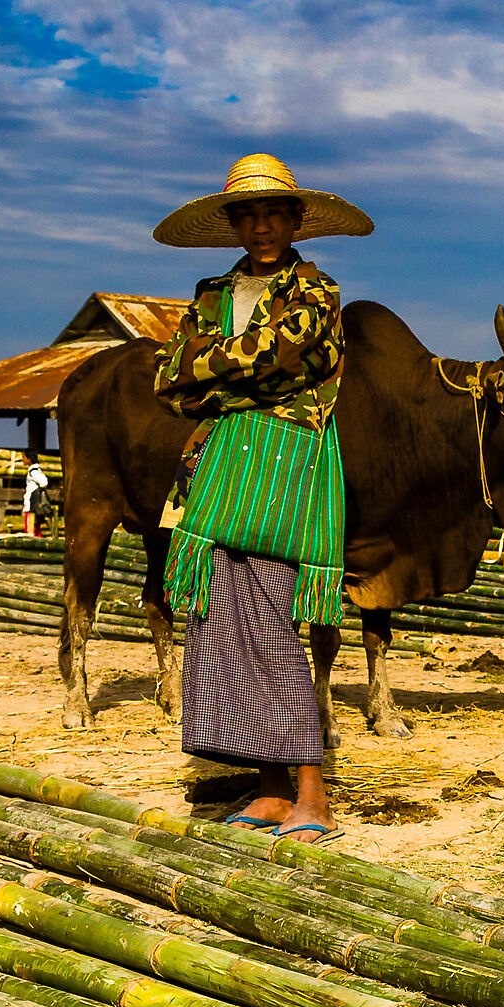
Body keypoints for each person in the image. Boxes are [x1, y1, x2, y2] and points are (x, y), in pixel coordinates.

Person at [152, 152, 373, 845]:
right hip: (224, 464)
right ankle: (270, 789)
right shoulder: (211, 292)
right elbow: (169, 378)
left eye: (273, 212)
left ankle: (314, 794)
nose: (262, 226)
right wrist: (235, 374)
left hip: (285, 467)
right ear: (233, 224)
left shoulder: (317, 292)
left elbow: (283, 359)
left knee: (276, 630)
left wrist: (215, 370)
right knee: (221, 624)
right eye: (248, 214)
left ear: (296, 218)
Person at [22, 458, 53, 537]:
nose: (23, 459)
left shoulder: (34, 472)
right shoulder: (33, 471)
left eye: (24, 457)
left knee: (30, 531)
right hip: (33, 505)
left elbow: (44, 481)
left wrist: (36, 492)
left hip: (31, 505)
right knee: (36, 529)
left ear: (29, 459)